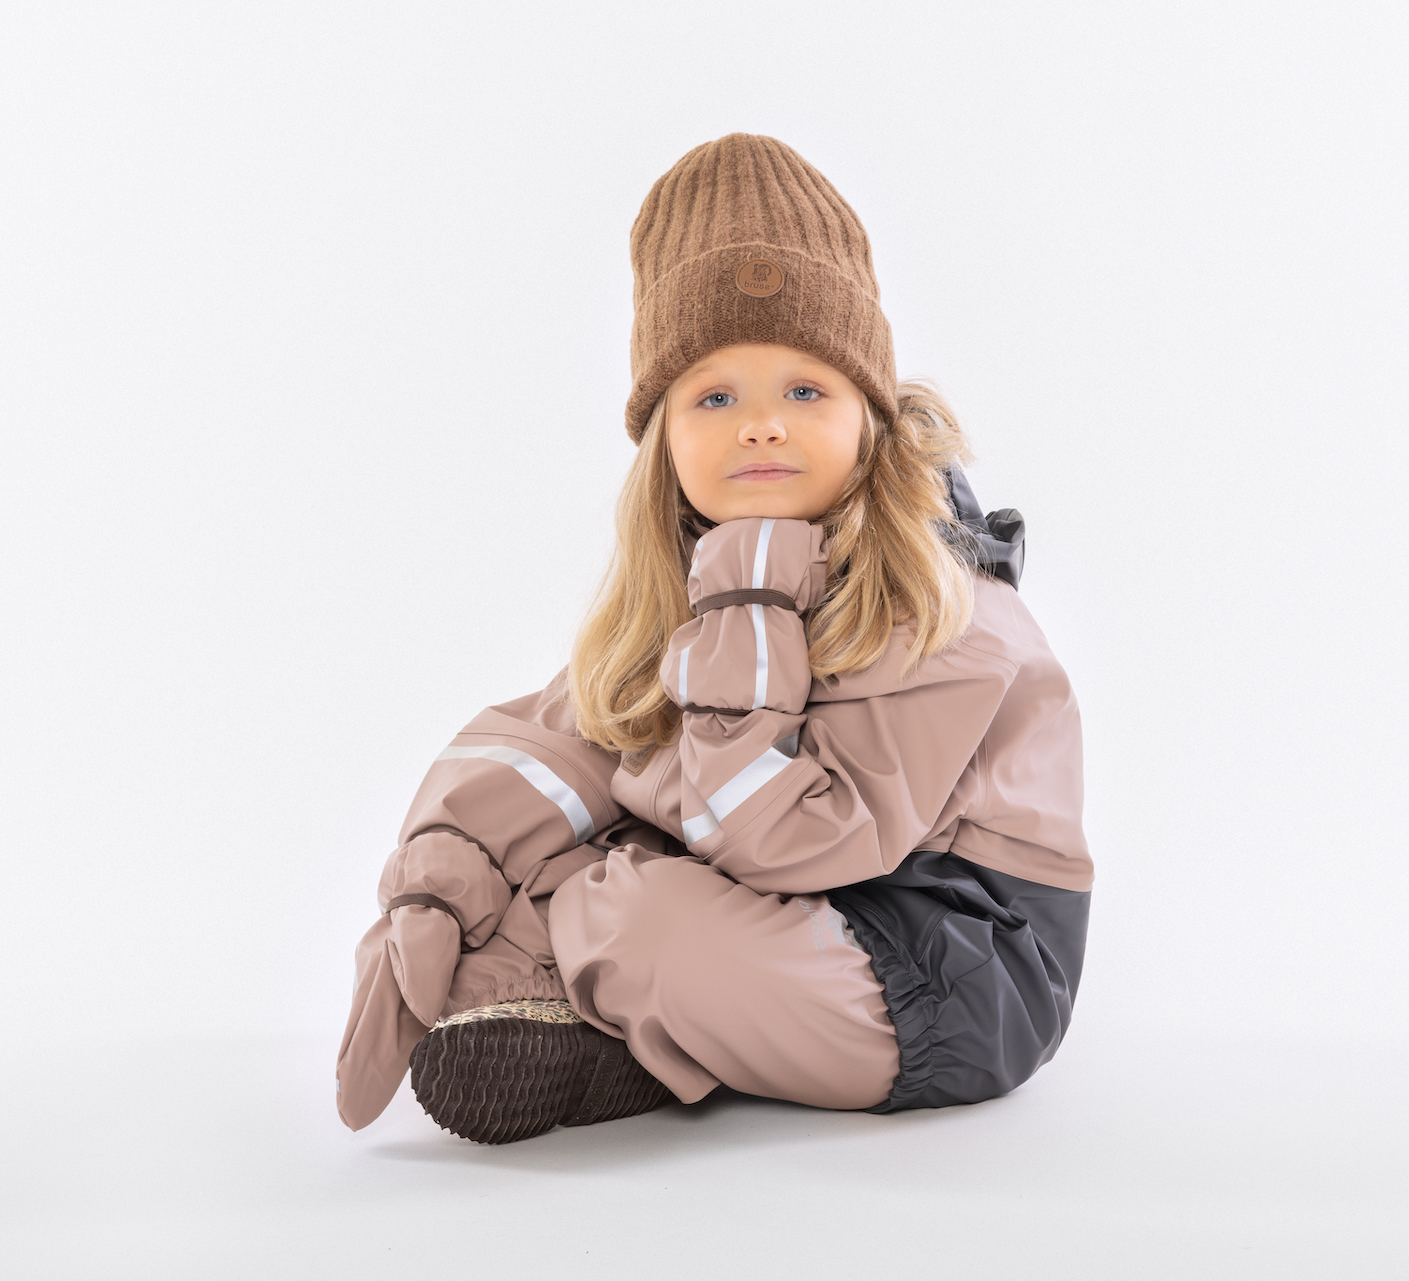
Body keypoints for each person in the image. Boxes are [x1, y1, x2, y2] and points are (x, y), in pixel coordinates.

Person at [335, 133, 1091, 1144]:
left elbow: (790, 842)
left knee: (625, 911)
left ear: (870, 415)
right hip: (789, 913)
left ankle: (632, 1008)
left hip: (955, 968)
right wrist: (444, 870)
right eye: (716, 396)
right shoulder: (697, 573)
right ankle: (575, 1023)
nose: (761, 425)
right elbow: (574, 730)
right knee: (561, 867)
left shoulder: (945, 604)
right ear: (666, 442)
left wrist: (749, 595)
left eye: (805, 390)